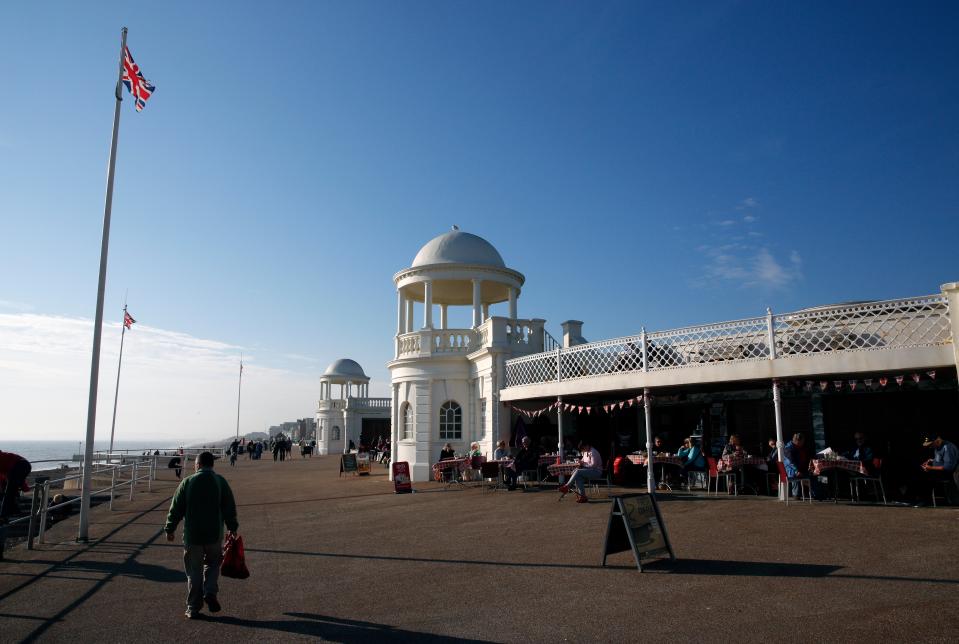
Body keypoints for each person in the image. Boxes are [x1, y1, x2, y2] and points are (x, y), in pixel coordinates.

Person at [164, 451, 238, 619]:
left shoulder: (187, 482)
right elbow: (229, 507)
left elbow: (176, 508)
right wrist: (232, 528)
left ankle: (193, 607)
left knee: (194, 571)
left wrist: (170, 529)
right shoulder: (220, 482)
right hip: (214, 535)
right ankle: (210, 591)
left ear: (197, 465)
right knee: (213, 565)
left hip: (193, 536)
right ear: (213, 465)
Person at [918, 433, 958, 504]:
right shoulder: (937, 447)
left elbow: (948, 467)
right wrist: (931, 461)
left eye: (931, 444)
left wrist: (930, 467)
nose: (930, 447)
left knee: (923, 477)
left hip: (951, 473)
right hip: (942, 472)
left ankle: (925, 501)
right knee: (920, 471)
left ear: (938, 440)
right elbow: (940, 461)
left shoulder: (947, 447)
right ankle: (920, 499)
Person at [0, 450, 31, 519]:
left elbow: (12, 474)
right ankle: (14, 509)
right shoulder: (5, 457)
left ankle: (3, 515)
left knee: (9, 491)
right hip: (23, 465)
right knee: (9, 489)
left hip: (21, 466)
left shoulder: (3, 458)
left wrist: (24, 486)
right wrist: (24, 487)